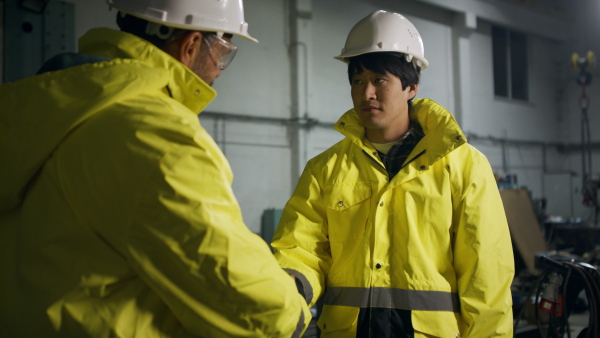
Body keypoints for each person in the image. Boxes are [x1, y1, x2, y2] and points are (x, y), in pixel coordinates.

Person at [0, 0, 310, 337]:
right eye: (222, 53)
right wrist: (294, 302)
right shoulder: (159, 137)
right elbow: (246, 301)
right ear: (191, 46)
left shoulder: (44, 110)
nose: (219, 69)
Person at [271, 10, 514, 337]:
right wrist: (292, 283)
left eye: (379, 80)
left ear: (411, 86)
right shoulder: (325, 170)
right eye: (358, 81)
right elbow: (302, 248)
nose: (366, 93)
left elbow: (486, 276)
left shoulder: (464, 167)